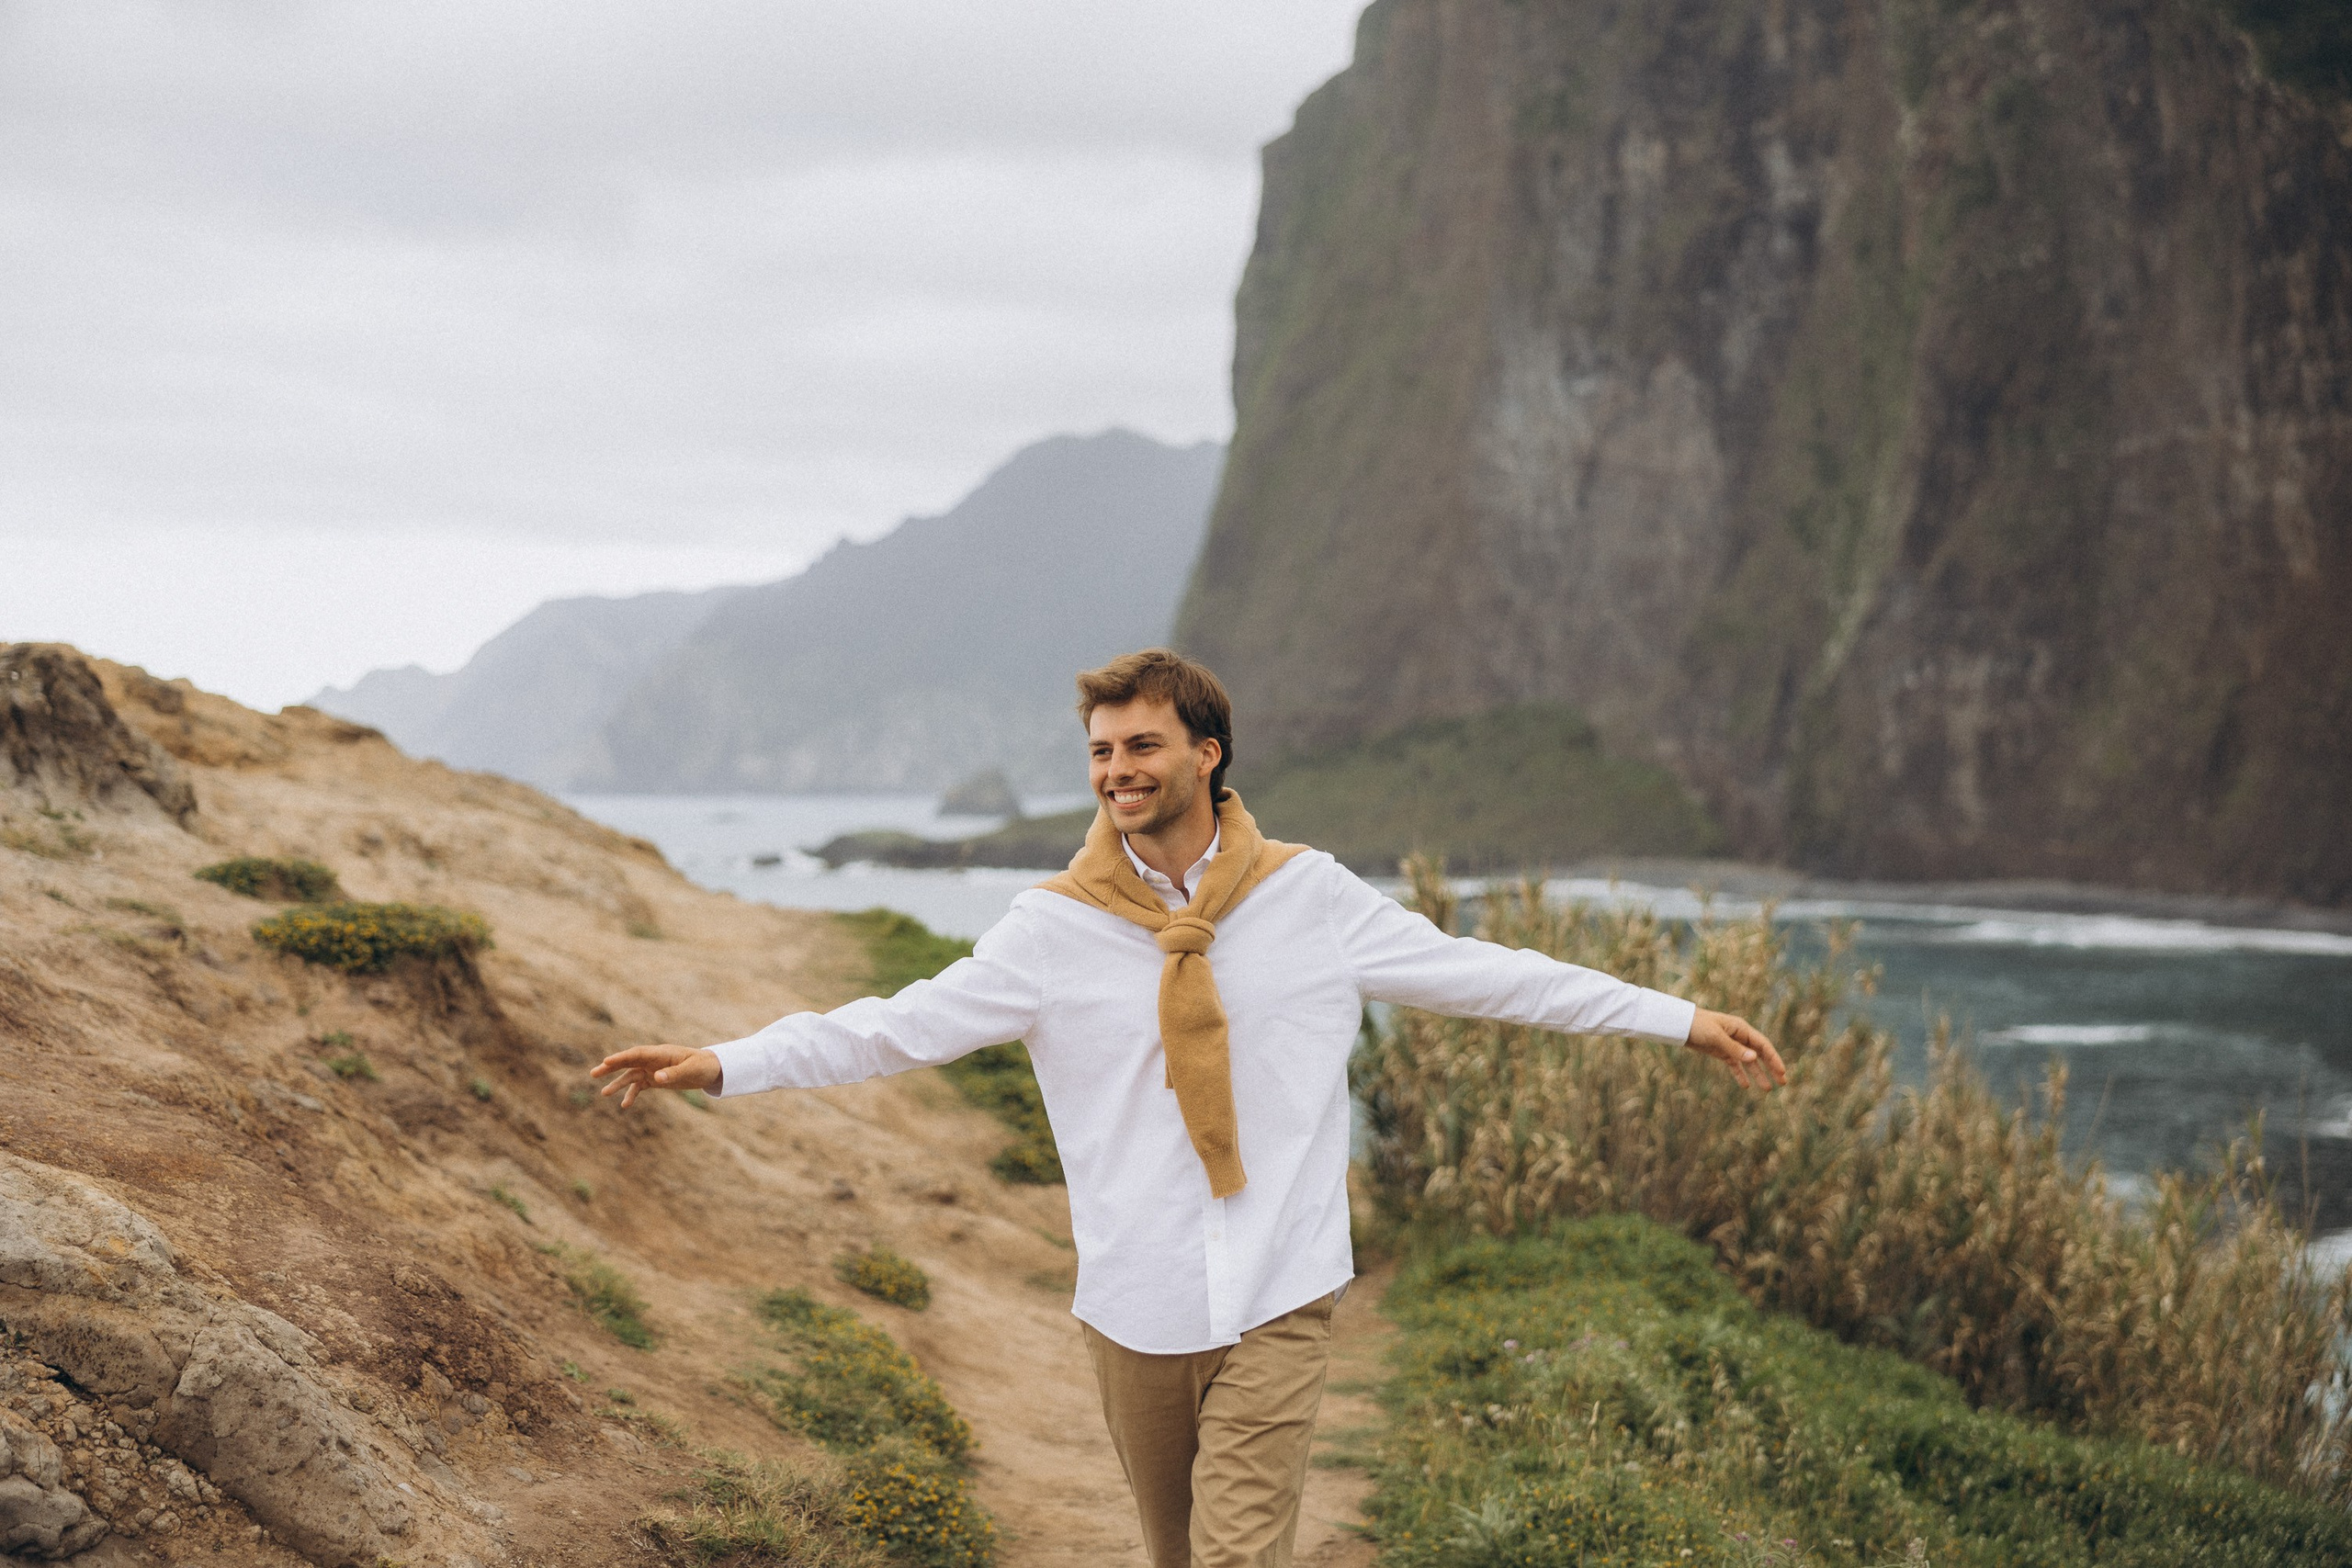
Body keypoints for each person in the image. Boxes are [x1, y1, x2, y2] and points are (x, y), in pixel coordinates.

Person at [591, 648, 1785, 1568]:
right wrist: (729, 1062)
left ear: (1209, 752)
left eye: (1142, 745)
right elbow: (895, 1024)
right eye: (1102, 752)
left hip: (1280, 1291)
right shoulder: (1048, 932)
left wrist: (1674, 1016)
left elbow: (1496, 976)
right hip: (1136, 1308)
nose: (1118, 771)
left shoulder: (1312, 899)